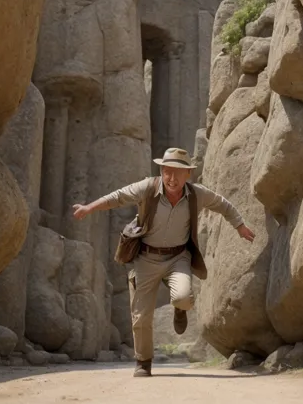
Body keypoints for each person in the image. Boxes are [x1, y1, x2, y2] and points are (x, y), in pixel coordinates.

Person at [73, 147, 255, 377]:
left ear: (188, 174)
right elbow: (117, 197)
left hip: (178, 257)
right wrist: (90, 207)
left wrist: (239, 225)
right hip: (146, 258)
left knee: (184, 298)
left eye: (178, 173)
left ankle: (180, 310)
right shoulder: (147, 188)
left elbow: (223, 204)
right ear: (161, 171)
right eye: (168, 172)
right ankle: (143, 362)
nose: (172, 178)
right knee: (141, 316)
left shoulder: (197, 194)